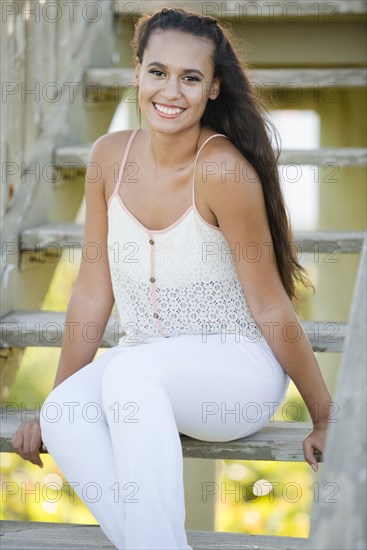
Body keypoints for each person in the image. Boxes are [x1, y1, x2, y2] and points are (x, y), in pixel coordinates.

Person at [11, 7, 333, 550]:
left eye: (190, 77)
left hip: (237, 372)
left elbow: (273, 307)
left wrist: (324, 415)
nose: (171, 90)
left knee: (131, 373)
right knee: (65, 411)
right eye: (158, 71)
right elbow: (92, 292)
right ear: (136, 72)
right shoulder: (108, 158)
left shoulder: (222, 170)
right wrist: (58, 398)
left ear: (213, 88)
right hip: (142, 369)